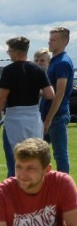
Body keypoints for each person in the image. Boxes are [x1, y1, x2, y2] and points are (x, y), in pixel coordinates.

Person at [0, 36, 54, 178]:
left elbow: (1, 98)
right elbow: (50, 94)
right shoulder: (38, 69)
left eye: (9, 51)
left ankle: (15, 196)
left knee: (15, 162)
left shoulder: (9, 70)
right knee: (35, 158)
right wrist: (34, 90)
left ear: (16, 52)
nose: (8, 53)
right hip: (34, 118)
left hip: (14, 119)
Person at [40, 27, 73, 173]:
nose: (49, 42)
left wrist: (48, 119)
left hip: (56, 116)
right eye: (50, 39)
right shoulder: (54, 61)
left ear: (65, 41)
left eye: (54, 39)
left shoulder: (62, 63)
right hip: (48, 115)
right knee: (39, 154)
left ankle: (64, 189)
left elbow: (60, 93)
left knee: (60, 155)